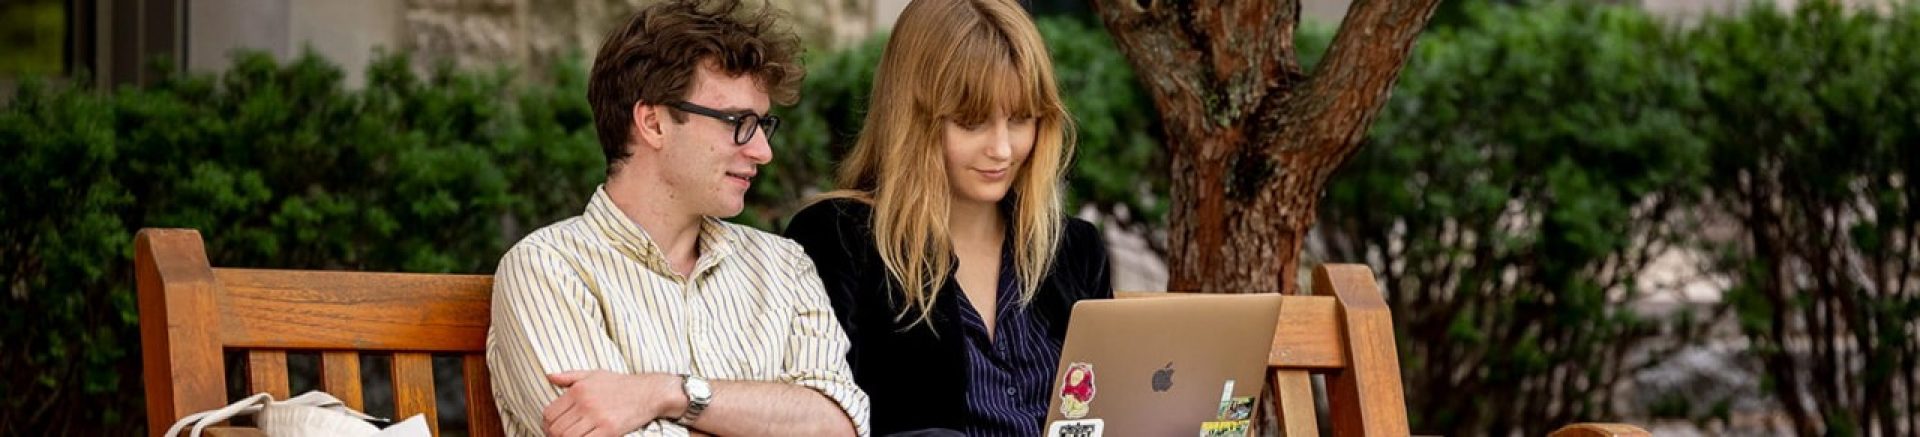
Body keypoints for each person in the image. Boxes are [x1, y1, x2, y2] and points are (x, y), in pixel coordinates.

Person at [486, 1, 868, 435]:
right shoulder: (549, 271)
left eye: (763, 125)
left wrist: (669, 394)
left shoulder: (783, 265)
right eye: (738, 122)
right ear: (653, 123)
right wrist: (764, 415)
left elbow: (839, 425)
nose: (763, 151)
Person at [781, 0, 1112, 435]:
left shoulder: (1072, 248)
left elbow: (1109, 407)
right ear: (912, 120)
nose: (1002, 149)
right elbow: (826, 418)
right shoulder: (841, 237)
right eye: (971, 122)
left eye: (1020, 119)